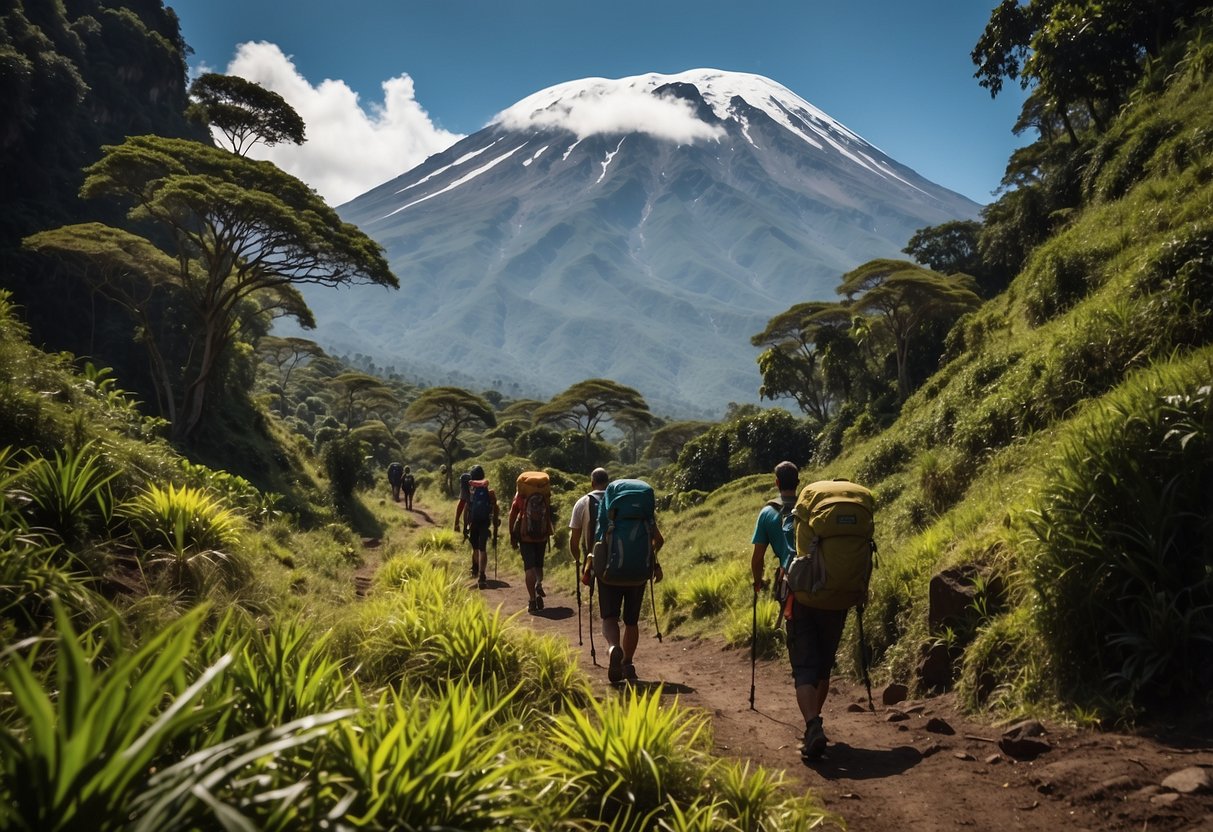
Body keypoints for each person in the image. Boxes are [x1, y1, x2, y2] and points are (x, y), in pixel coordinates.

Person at [751, 460, 845, 762]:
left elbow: (757, 558)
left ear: (777, 483)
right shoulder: (815, 511)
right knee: (823, 664)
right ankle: (814, 722)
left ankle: (812, 724)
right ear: (798, 481)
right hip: (832, 590)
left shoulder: (768, 513)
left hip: (796, 591)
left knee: (804, 663)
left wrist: (758, 581)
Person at [582, 479, 664, 684]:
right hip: (638, 574)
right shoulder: (646, 516)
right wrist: (652, 560)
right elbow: (659, 540)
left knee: (610, 617)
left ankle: (613, 649)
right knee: (631, 621)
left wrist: (589, 566)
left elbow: (599, 538)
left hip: (610, 572)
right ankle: (627, 662)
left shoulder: (607, 509)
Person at [509, 473, 555, 614]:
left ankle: (532, 600)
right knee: (539, 565)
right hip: (541, 536)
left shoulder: (521, 496)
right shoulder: (545, 495)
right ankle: (539, 584)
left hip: (526, 536)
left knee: (529, 567)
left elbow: (512, 514)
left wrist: (512, 534)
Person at [463, 465, 499, 590]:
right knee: (483, 548)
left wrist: (465, 526)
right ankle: (482, 575)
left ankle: (476, 570)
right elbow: (495, 509)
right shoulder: (490, 492)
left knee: (475, 549)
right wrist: (495, 529)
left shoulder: (471, 493)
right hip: (485, 523)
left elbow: (466, 510)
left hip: (474, 523)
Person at [568, 467, 609, 566]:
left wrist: (577, 558)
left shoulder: (582, 503)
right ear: (608, 483)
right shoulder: (615, 500)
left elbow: (574, 540)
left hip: (592, 556)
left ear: (592, 483)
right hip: (615, 554)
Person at [453, 469, 475, 575]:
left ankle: (475, 567)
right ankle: (479, 567)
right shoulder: (482, 485)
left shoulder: (466, 487)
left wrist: (457, 522)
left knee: (474, 544)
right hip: (483, 518)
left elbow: (461, 505)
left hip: (471, 517)